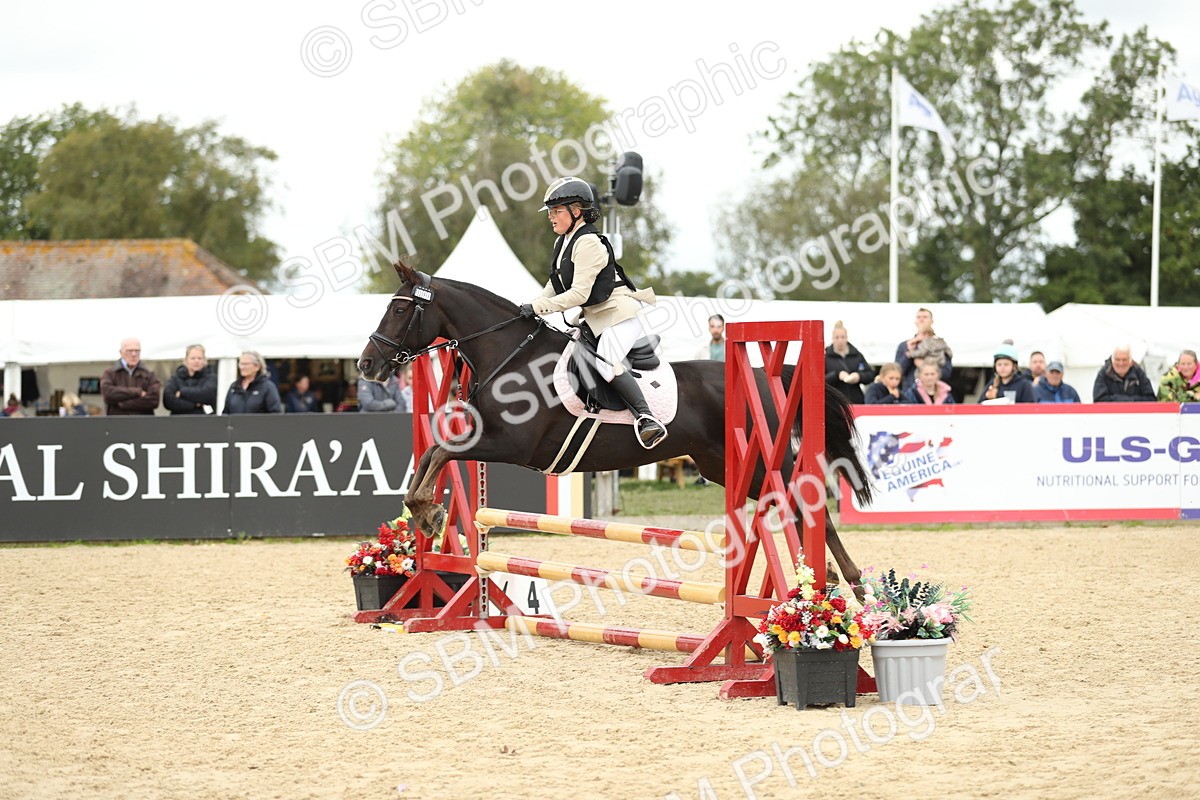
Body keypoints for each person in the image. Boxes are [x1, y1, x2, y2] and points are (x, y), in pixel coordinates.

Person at [520, 176, 666, 448]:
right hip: (595, 318)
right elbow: (554, 283)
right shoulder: (563, 241)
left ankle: (647, 418)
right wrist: (533, 304)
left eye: (556, 211)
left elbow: (579, 294)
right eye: (550, 212)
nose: (551, 217)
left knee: (605, 363)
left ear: (577, 212)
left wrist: (539, 307)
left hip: (618, 314)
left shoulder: (588, 242)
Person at [894, 307, 953, 390]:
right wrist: (909, 352)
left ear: (932, 321)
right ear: (915, 322)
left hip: (934, 392)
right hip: (910, 393)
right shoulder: (904, 345)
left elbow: (946, 373)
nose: (921, 319)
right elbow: (897, 372)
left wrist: (926, 368)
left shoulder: (940, 344)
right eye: (919, 317)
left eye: (925, 317)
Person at [100, 337, 161, 415]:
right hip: (117, 423)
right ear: (121, 352)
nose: (134, 354)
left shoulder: (149, 374)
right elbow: (108, 394)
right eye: (129, 351)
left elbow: (154, 400)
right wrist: (137, 392)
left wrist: (123, 403)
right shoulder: (109, 373)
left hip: (143, 424)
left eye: (137, 351)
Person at [824, 320, 874, 403]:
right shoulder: (825, 357)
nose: (840, 340)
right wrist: (837, 375)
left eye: (842, 337)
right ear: (832, 339)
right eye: (837, 337)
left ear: (847, 338)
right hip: (834, 401)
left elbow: (870, 375)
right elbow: (820, 381)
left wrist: (859, 376)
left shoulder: (857, 355)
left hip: (856, 400)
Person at [163, 344, 217, 415]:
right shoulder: (175, 378)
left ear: (204, 360)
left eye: (199, 358)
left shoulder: (211, 377)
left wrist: (182, 393)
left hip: (203, 421)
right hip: (179, 421)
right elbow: (168, 400)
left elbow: (207, 395)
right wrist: (195, 405)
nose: (196, 361)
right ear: (186, 360)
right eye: (193, 358)